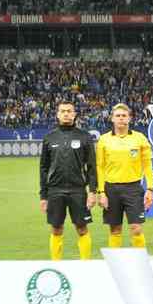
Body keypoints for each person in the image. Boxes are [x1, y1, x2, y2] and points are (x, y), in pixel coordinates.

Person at [39, 101, 97, 260]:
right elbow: (43, 168)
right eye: (62, 111)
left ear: (74, 114)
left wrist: (92, 192)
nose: (66, 114)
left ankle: (86, 264)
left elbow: (92, 167)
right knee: (56, 229)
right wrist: (43, 196)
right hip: (55, 191)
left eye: (69, 111)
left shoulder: (84, 137)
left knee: (82, 228)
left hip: (78, 190)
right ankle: (56, 265)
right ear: (57, 114)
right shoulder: (49, 138)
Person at [96, 103, 153, 249]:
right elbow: (100, 167)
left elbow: (147, 165)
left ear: (129, 119)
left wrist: (150, 189)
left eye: (124, 116)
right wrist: (101, 192)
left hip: (133, 188)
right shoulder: (104, 139)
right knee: (115, 230)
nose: (121, 118)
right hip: (111, 189)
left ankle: (140, 264)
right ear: (112, 119)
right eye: (118, 116)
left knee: (136, 228)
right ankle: (116, 266)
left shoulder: (139, 138)